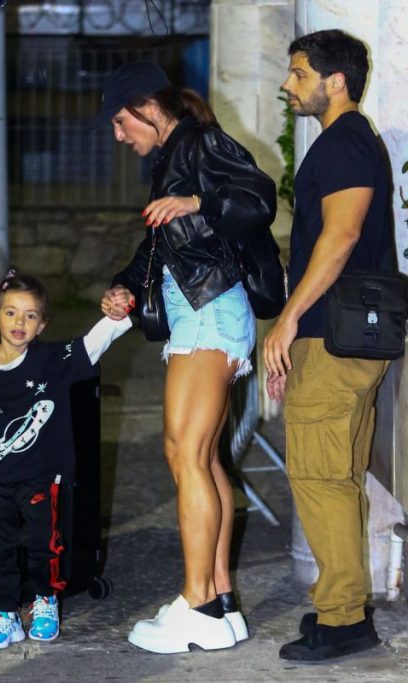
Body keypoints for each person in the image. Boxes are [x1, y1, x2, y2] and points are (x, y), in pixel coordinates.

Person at [97, 61, 277, 653]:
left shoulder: (199, 143)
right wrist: (125, 286)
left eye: (121, 121)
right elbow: (159, 245)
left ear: (149, 108)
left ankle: (197, 602)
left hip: (210, 311)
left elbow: (258, 198)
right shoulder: (173, 156)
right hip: (198, 311)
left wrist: (196, 199)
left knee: (186, 453)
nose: (118, 135)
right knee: (200, 456)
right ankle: (220, 601)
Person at [263, 30, 391, 662]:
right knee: (336, 477)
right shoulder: (348, 142)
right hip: (344, 336)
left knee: (320, 477)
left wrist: (287, 321)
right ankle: (345, 610)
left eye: (299, 74)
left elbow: (339, 238)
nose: (288, 85)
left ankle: (344, 620)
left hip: (333, 337)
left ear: (334, 81)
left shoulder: (343, 144)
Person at [0, 271, 130, 649]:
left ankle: (46, 601)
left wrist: (119, 313)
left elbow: (93, 345)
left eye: (30, 315)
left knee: (44, 542)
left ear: (42, 324)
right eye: (11, 313)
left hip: (42, 474)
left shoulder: (51, 361)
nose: (20, 322)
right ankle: (5, 614)